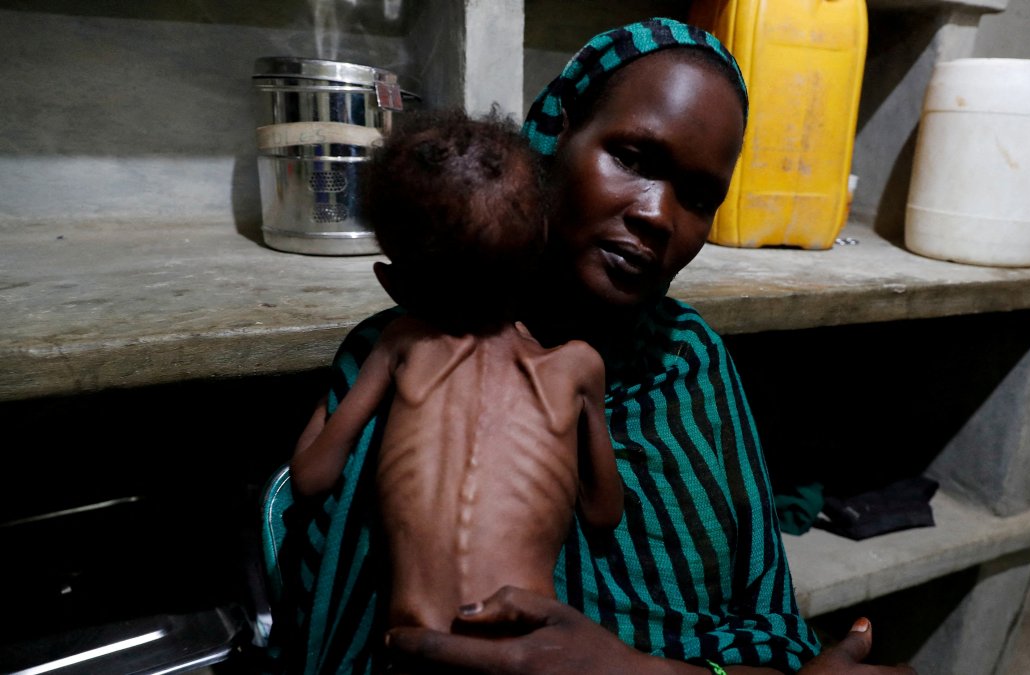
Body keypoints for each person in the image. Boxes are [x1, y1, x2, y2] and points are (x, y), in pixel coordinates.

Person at [263, 17, 916, 675]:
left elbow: (765, 628)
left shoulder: (690, 360)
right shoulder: (405, 347)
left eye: (699, 196)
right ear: (558, 133)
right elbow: (339, 634)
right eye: (632, 158)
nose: (659, 216)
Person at [286, 110, 624, 637]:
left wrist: (327, 403)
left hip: (415, 647)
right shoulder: (577, 367)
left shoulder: (401, 346)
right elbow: (603, 513)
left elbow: (310, 477)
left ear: (393, 287)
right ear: (541, 256)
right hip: (526, 648)